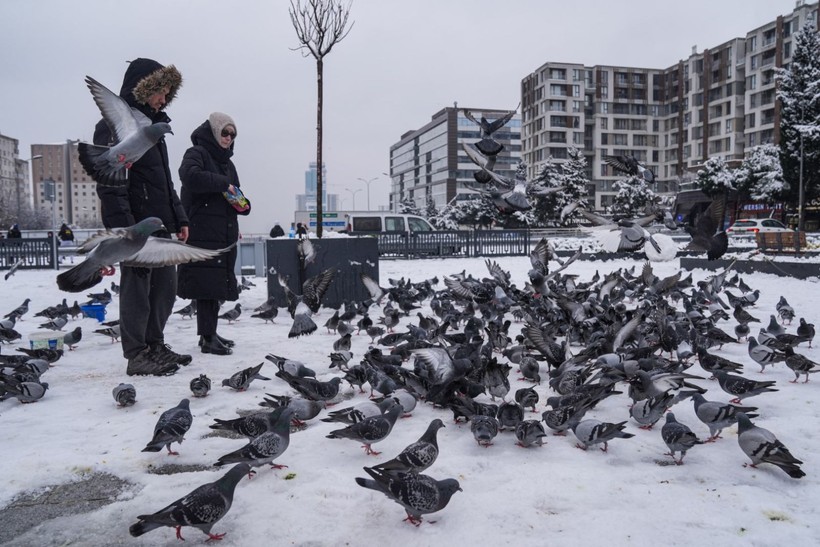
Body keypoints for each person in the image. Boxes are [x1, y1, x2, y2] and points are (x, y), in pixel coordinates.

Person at [93, 58, 190, 376]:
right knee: (138, 291)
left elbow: (165, 182)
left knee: (165, 287)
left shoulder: (154, 129)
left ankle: (155, 344)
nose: (164, 99)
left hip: (160, 225)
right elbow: (111, 183)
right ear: (143, 89)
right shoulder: (113, 127)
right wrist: (124, 228)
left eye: (167, 94)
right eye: (160, 92)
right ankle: (137, 354)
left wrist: (180, 220)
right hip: (135, 226)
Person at [177, 112, 250, 356]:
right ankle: (207, 338)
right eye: (225, 132)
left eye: (233, 134)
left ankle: (210, 333)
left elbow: (235, 192)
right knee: (205, 284)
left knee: (214, 285)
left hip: (222, 232)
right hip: (201, 231)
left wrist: (243, 205)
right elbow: (189, 176)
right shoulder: (196, 153)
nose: (229, 138)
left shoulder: (227, 163)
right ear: (213, 131)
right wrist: (223, 184)